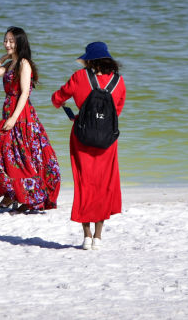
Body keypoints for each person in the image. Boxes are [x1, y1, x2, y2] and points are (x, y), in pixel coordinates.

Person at [51, 41, 127, 250]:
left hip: (82, 137)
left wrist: (72, 111)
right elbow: (116, 112)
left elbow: (57, 98)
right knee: (103, 185)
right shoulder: (119, 82)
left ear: (89, 61)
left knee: (84, 184)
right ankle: (98, 237)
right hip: (107, 141)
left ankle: (86, 236)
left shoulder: (79, 77)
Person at [0, 26, 61, 212]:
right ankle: (11, 194)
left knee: (23, 154)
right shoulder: (10, 64)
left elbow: (25, 93)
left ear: (20, 42)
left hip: (21, 113)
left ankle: (29, 197)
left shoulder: (24, 64)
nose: (7, 44)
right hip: (9, 108)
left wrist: (13, 117)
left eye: (11, 41)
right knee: (7, 151)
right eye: (5, 40)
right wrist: (3, 58)